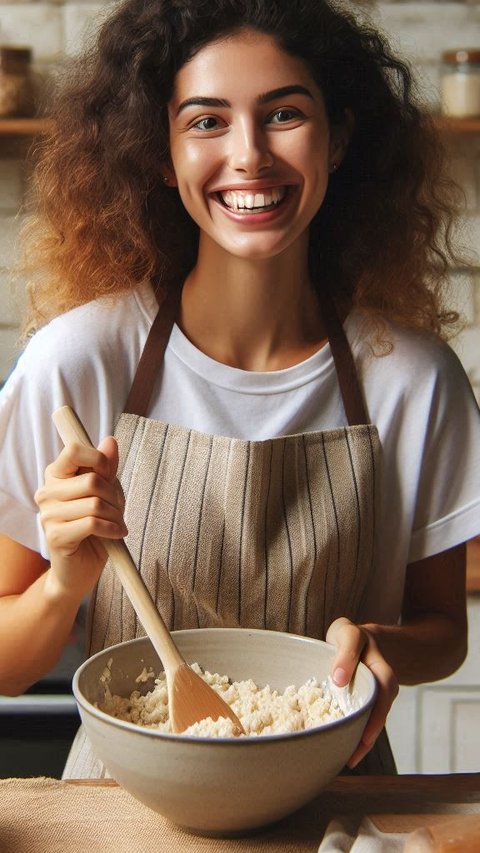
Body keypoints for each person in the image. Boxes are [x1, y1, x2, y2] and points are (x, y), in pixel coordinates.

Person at [0, 0, 479, 779]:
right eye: (206, 121)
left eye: (284, 114)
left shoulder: (414, 380)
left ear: (340, 136)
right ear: (163, 153)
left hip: (337, 798)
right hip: (125, 810)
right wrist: (66, 580)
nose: (249, 155)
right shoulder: (79, 362)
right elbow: (6, 668)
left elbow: (442, 629)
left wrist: (379, 648)